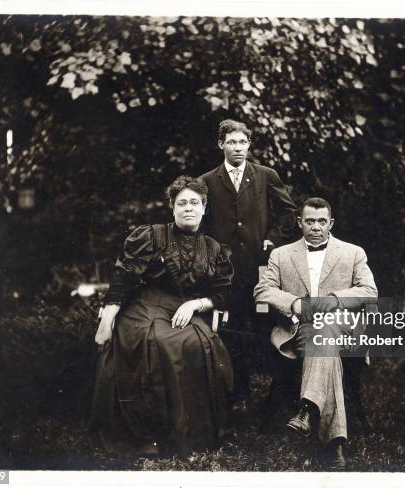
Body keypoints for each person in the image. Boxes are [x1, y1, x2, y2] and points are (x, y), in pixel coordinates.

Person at [90, 176, 234, 457]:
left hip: (185, 308)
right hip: (145, 306)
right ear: (172, 208)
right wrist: (106, 323)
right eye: (182, 203)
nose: (188, 208)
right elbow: (123, 279)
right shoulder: (152, 236)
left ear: (204, 208)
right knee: (158, 340)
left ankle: (190, 432)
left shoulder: (215, 249)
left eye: (195, 203)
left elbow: (225, 293)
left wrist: (196, 305)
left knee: (198, 342)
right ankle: (151, 434)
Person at [253, 197, 377, 470]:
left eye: (322, 221)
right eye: (310, 221)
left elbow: (369, 292)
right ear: (300, 223)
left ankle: (308, 410)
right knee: (324, 341)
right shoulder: (281, 255)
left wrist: (332, 300)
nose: (316, 227)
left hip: (341, 328)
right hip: (297, 328)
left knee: (325, 330)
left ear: (331, 223)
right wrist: (293, 303)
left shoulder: (353, 252)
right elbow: (263, 290)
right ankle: (334, 444)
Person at [199, 119, 297, 408]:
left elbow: (288, 213)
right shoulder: (206, 181)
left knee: (268, 326)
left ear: (249, 144)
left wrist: (273, 238)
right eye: (232, 142)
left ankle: (278, 399)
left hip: (261, 270)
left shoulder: (265, 175)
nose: (238, 148)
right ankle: (237, 393)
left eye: (243, 142)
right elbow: (201, 226)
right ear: (221, 145)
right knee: (230, 330)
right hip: (226, 273)